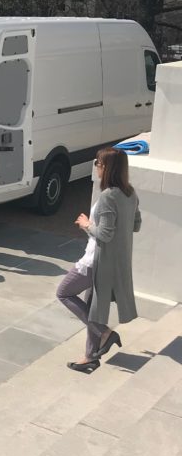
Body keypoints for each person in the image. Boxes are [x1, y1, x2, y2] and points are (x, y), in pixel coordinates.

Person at [56, 147, 142, 374]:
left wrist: (86, 225)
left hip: (97, 261)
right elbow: (136, 225)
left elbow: (104, 234)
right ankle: (90, 357)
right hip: (114, 261)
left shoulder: (107, 197)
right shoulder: (130, 193)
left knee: (64, 292)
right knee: (93, 307)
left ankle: (104, 333)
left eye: (98, 164)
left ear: (107, 168)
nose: (97, 167)